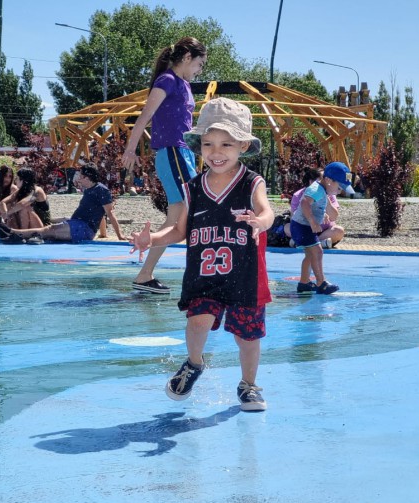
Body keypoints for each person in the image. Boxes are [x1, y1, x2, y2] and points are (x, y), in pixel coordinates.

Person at [130, 97, 274, 412]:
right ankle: (194, 363)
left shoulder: (252, 183)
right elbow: (179, 231)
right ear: (199, 146)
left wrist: (259, 222)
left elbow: (267, 211)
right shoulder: (193, 188)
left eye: (226, 143)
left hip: (245, 276)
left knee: (247, 336)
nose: (216, 151)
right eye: (208, 143)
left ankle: (249, 385)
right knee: (197, 322)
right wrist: (151, 238)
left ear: (244, 146)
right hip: (206, 273)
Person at [121, 37, 207, 294]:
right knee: (198, 208)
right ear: (188, 57)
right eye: (200, 64)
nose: (200, 71)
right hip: (173, 153)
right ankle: (205, 274)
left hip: (183, 154)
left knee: (176, 217)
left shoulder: (184, 85)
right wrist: (130, 149)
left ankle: (144, 276)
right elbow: (144, 116)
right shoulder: (167, 81)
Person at [0, 162, 126, 244]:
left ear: (87, 178)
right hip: (77, 224)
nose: (79, 179)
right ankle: (17, 233)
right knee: (50, 234)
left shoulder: (101, 190)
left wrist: (119, 235)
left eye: (80, 176)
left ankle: (14, 233)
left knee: (50, 230)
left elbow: (109, 213)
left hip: (83, 228)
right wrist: (103, 234)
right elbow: (101, 214)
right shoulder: (89, 190)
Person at [290, 162, 355, 295]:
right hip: (303, 226)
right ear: (328, 180)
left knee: (309, 255)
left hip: (303, 226)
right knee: (317, 252)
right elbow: (304, 203)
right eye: (339, 187)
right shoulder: (316, 189)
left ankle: (304, 283)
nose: (340, 191)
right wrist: (313, 221)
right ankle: (321, 283)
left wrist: (325, 211)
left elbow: (333, 215)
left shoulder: (323, 191)